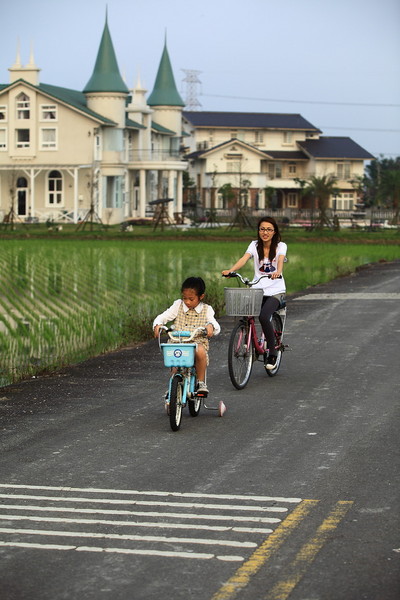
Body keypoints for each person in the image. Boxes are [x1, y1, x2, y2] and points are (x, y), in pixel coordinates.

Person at [222, 216, 287, 370]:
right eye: (262, 229)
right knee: (245, 311)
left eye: (269, 229)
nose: (265, 232)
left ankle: (272, 352)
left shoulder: (280, 246)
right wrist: (231, 270)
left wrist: (278, 272)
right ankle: (248, 338)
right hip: (257, 289)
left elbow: (280, 261)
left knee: (264, 316)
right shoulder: (254, 245)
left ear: (274, 232)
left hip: (275, 290)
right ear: (258, 231)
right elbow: (244, 259)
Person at [153, 276, 220, 394]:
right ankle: (173, 388)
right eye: (185, 298)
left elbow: (214, 324)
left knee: (200, 351)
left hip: (196, 342)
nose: (187, 302)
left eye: (191, 299)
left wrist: (210, 327)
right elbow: (164, 316)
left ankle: (200, 382)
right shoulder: (178, 305)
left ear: (201, 297)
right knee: (174, 362)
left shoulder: (206, 309)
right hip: (178, 341)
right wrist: (158, 324)